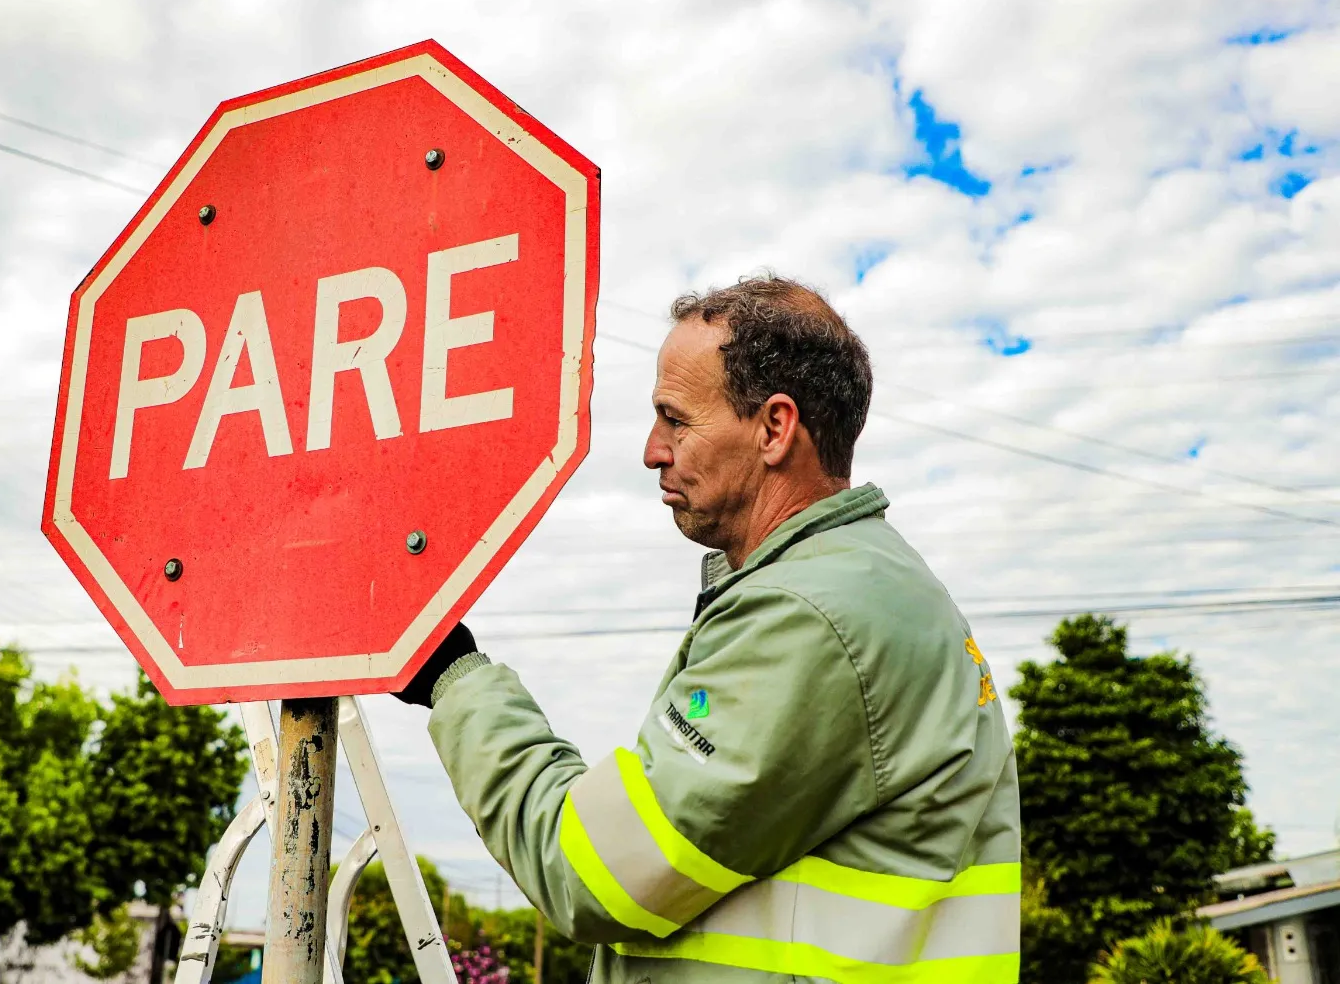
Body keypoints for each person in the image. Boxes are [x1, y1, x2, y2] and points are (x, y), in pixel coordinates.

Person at [396, 276, 1021, 983]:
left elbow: (595, 873)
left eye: (675, 419)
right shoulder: (864, 587)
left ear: (774, 428)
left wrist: (455, 681)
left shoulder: (809, 616)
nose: (652, 450)